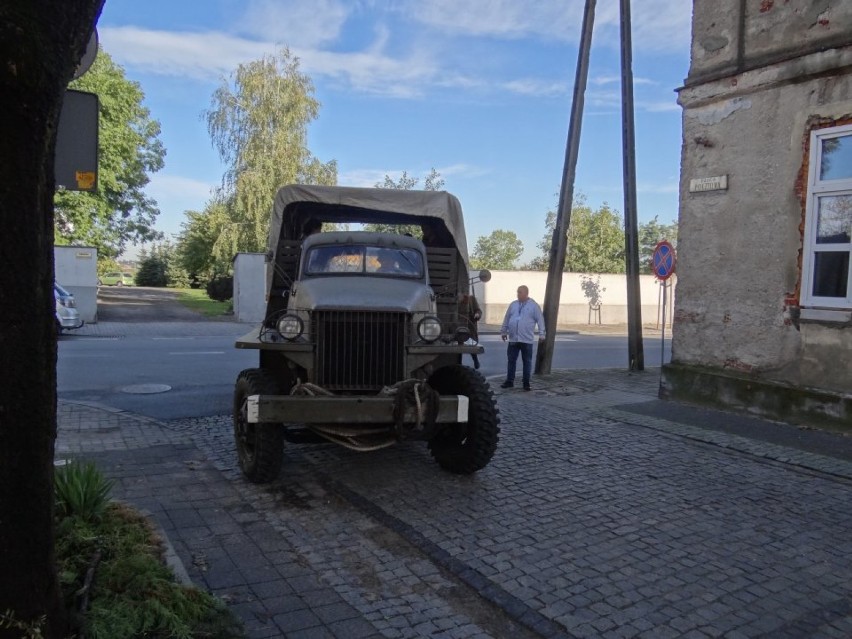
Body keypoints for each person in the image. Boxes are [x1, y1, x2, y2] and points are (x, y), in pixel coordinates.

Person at [499, 285, 546, 391]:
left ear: (526, 293)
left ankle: (526, 383)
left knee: (527, 361)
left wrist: (542, 334)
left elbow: (540, 320)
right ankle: (509, 381)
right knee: (511, 360)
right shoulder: (513, 305)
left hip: (526, 339)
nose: (518, 294)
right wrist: (503, 331)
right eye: (517, 292)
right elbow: (507, 318)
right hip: (514, 339)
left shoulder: (533, 306)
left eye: (520, 292)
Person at [459, 293, 482, 369]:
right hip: (457, 325)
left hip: (469, 326)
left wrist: (477, 314)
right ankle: (458, 363)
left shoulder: (471, 299)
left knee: (471, 343)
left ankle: (475, 360)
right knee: (457, 346)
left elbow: (478, 310)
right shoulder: (455, 298)